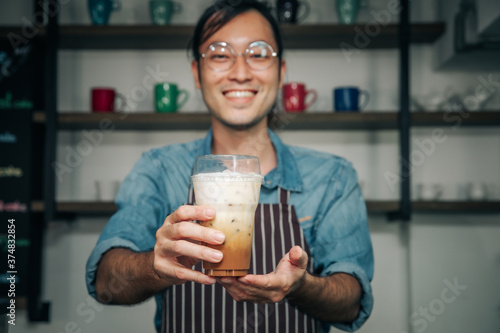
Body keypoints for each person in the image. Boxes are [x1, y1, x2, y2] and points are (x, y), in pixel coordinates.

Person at [85, 0, 374, 332]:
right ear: (197, 73)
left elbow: (352, 302)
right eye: (220, 55)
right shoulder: (159, 169)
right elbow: (106, 285)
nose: (239, 72)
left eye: (258, 53)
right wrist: (155, 265)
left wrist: (302, 286)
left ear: (281, 73)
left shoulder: (333, 177)